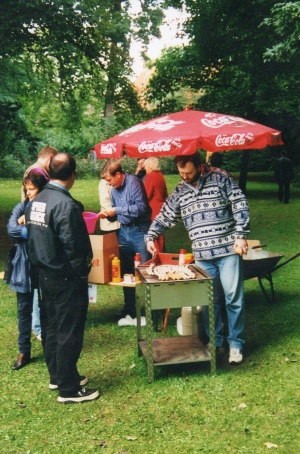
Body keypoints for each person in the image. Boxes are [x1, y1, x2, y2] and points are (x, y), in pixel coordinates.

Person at [145, 152, 250, 365]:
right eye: (181, 172)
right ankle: (216, 341)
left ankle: (236, 344)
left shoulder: (221, 178)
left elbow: (240, 204)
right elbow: (165, 215)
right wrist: (151, 235)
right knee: (209, 301)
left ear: (200, 166)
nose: (184, 176)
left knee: (233, 298)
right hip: (202, 256)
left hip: (228, 251)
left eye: (189, 173)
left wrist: (240, 235)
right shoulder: (180, 191)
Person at [26, 153, 99, 404]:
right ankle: (68, 389)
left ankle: (59, 376)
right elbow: (74, 245)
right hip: (65, 276)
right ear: (73, 174)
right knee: (68, 330)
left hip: (44, 274)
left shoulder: (38, 199)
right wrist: (81, 272)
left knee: (52, 327)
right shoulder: (65, 205)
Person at [7, 170, 48, 370]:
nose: (28, 192)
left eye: (32, 189)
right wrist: (32, 230)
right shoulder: (20, 207)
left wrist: (28, 224)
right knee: (24, 309)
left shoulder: (46, 208)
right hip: (23, 264)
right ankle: (24, 350)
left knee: (46, 306)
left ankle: (50, 344)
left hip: (42, 263)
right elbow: (11, 229)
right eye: (26, 189)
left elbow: (48, 231)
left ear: (41, 189)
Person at [99, 160, 152, 318]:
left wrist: (116, 210)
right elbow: (118, 214)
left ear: (118, 174)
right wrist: (108, 215)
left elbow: (141, 208)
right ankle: (129, 308)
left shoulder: (134, 182)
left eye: (109, 180)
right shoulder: (114, 189)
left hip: (139, 231)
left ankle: (151, 310)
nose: (109, 184)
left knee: (145, 271)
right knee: (126, 272)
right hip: (123, 231)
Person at [23, 146, 58, 338]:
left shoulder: (34, 170)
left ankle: (42, 326)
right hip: (37, 234)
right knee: (39, 286)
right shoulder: (38, 173)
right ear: (51, 157)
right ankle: (39, 328)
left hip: (36, 232)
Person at [144, 157, 168, 252]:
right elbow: (165, 193)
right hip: (161, 207)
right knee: (160, 235)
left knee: (154, 236)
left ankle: (156, 255)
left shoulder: (150, 176)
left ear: (149, 166)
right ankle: (161, 253)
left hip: (153, 209)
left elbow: (147, 195)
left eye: (146, 166)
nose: (145, 168)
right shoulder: (160, 175)